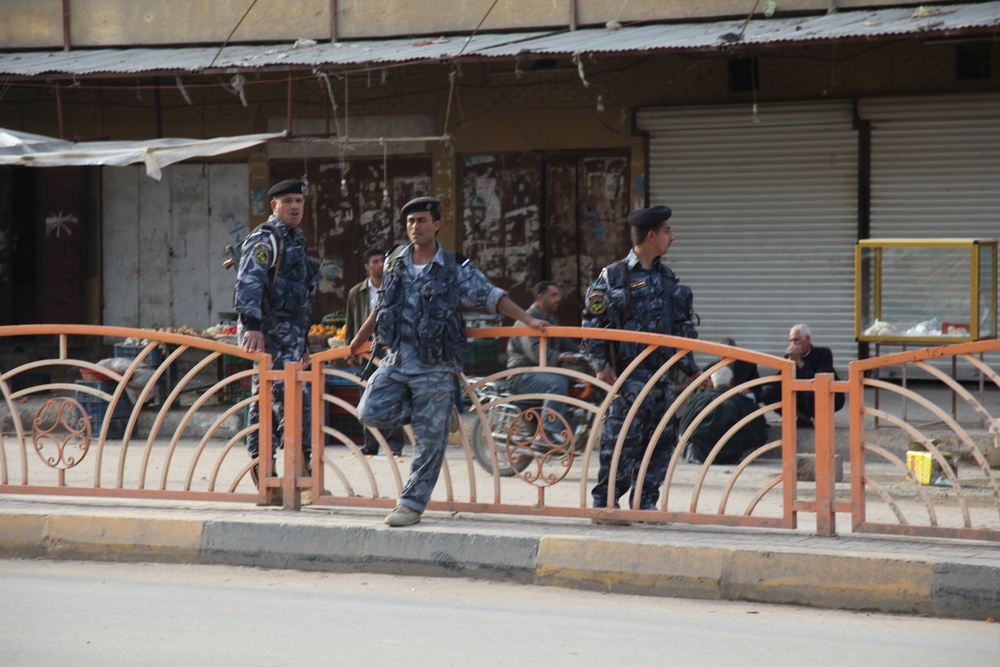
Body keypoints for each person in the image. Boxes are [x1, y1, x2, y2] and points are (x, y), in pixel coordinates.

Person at [349, 196, 549, 527]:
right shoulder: (394, 262)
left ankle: (411, 504)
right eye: (411, 222)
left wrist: (528, 319)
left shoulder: (455, 266)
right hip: (397, 359)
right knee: (369, 411)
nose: (416, 226)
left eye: (423, 220)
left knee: (427, 444)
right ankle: (440, 418)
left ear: (437, 225)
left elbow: (491, 297)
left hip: (436, 365)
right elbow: (382, 306)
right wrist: (358, 340)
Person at [582, 204, 701, 524]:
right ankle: (606, 506)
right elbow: (592, 322)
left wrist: (692, 370)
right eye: (667, 231)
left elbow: (681, 330)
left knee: (660, 443)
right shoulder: (614, 276)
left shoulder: (667, 278)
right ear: (651, 236)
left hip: (662, 379)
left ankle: (645, 505)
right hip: (628, 378)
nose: (672, 237)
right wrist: (601, 365)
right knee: (621, 442)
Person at [235, 179, 320, 488]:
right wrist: (253, 326)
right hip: (269, 337)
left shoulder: (295, 239)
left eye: (298, 200)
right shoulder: (266, 238)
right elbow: (249, 282)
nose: (295, 206)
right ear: (274, 206)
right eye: (287, 201)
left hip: (292, 340)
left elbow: (300, 297)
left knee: (297, 401)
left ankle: (298, 475)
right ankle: (268, 472)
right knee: (270, 403)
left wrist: (305, 342)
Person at [345, 247, 405, 457]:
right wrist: (350, 351)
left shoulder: (396, 287)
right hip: (367, 350)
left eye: (382, 261)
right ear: (367, 266)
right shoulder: (357, 292)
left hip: (391, 348)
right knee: (367, 395)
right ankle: (371, 444)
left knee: (393, 394)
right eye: (375, 261)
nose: (380, 265)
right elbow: (351, 324)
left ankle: (395, 444)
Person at [505, 281, 580, 443]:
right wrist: (560, 357)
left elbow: (567, 343)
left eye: (559, 294)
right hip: (522, 374)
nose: (559, 298)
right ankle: (546, 431)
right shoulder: (527, 321)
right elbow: (535, 352)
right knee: (558, 383)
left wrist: (587, 352)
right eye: (553, 295)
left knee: (580, 382)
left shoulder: (553, 321)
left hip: (542, 373)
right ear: (540, 297)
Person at [759, 323, 845, 425]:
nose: (793, 345)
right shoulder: (789, 356)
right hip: (800, 398)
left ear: (808, 339)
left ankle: (820, 420)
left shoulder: (823, 353)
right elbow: (777, 385)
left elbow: (819, 380)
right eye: (791, 341)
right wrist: (789, 364)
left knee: (812, 395)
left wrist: (799, 362)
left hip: (825, 397)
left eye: (796, 340)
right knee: (767, 394)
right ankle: (799, 416)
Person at [679, 366, 767, 464]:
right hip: (736, 457)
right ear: (732, 382)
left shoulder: (698, 400)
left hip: (699, 456)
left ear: (712, 383)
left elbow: (683, 430)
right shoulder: (745, 402)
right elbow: (760, 434)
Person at [717, 337, 760, 403]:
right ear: (719, 356)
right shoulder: (711, 369)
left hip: (741, 404)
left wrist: (749, 393)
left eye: (730, 357)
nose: (728, 361)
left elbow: (758, 392)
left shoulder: (748, 367)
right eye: (724, 358)